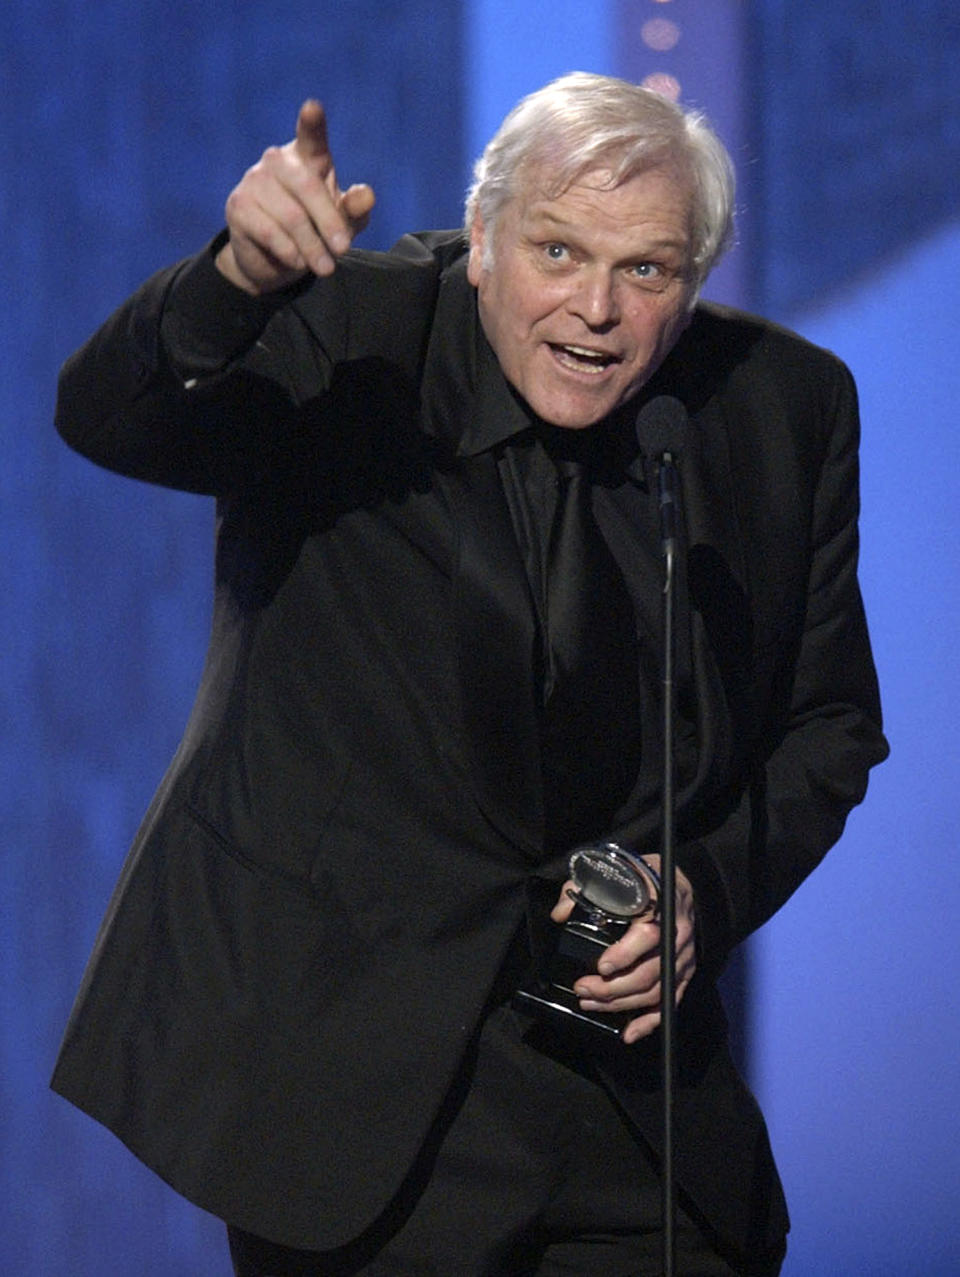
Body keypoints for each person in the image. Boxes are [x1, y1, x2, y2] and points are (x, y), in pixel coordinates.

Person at [52, 73, 888, 1275]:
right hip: (347, 1083)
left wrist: (701, 886)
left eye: (646, 271)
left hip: (631, 1103)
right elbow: (109, 417)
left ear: (694, 285)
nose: (596, 308)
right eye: (558, 249)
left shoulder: (783, 408)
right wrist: (232, 282)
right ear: (484, 240)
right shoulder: (357, 334)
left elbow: (828, 727)